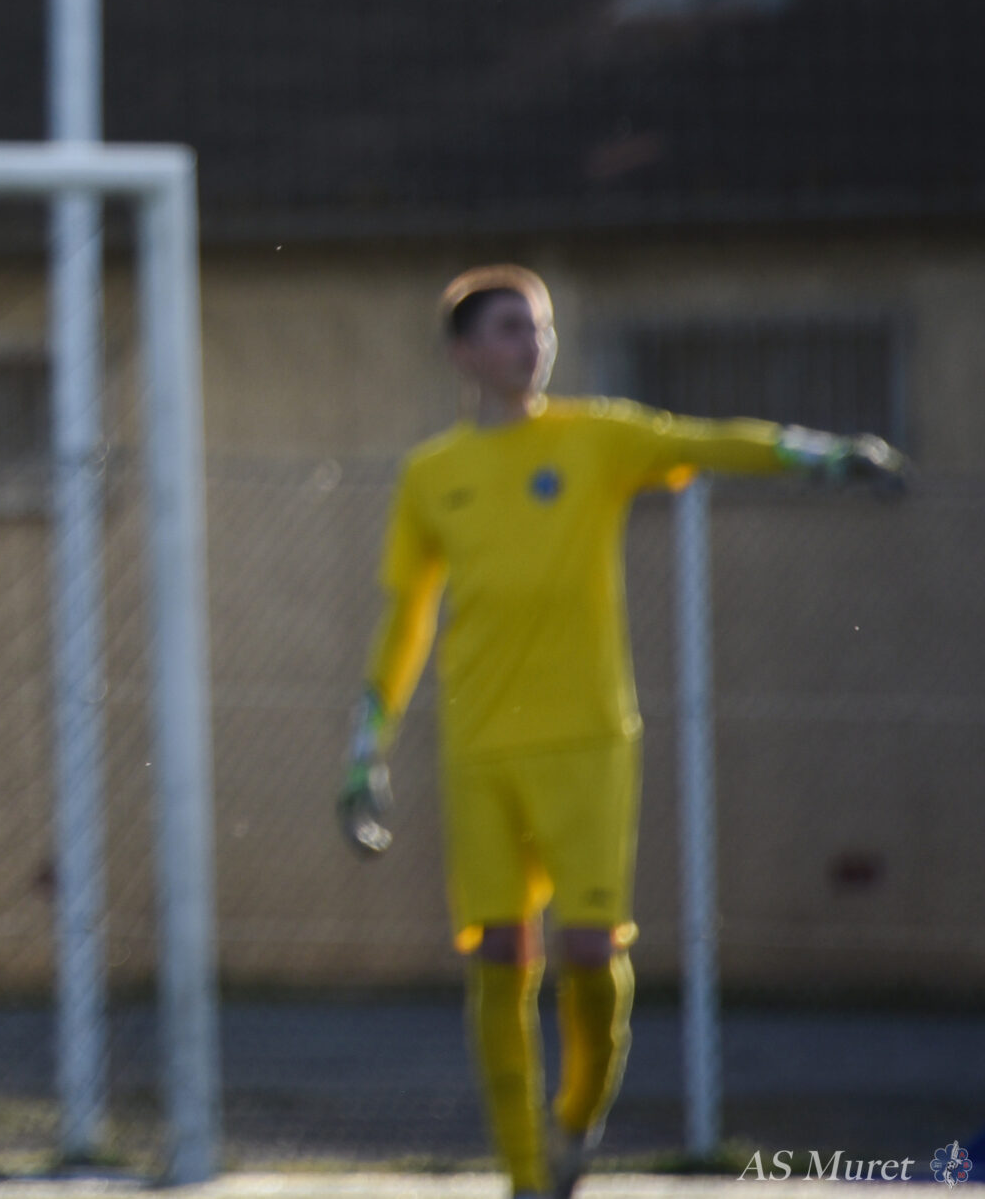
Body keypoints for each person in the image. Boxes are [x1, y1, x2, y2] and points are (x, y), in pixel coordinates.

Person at [337, 265, 904, 1199]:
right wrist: (368, 744)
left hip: (590, 740)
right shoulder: (432, 473)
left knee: (593, 953)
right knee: (497, 957)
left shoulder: (595, 437)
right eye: (511, 327)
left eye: (541, 325)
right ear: (463, 352)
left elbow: (710, 440)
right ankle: (528, 1175)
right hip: (479, 749)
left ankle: (575, 1119)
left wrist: (825, 453)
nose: (533, 343)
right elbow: (406, 618)